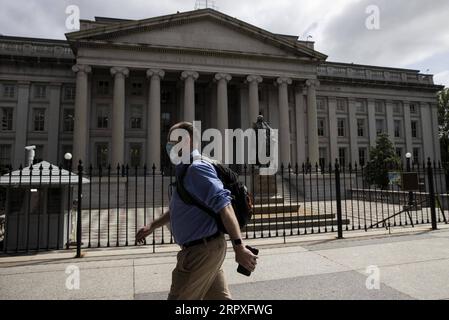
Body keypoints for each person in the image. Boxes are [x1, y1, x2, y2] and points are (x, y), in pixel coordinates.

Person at [136, 122, 258, 300]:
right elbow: (178, 210)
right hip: (204, 249)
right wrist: (152, 226)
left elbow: (225, 206)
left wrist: (239, 247)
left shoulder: (196, 169)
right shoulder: (186, 169)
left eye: (173, 139)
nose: (169, 144)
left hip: (200, 252)